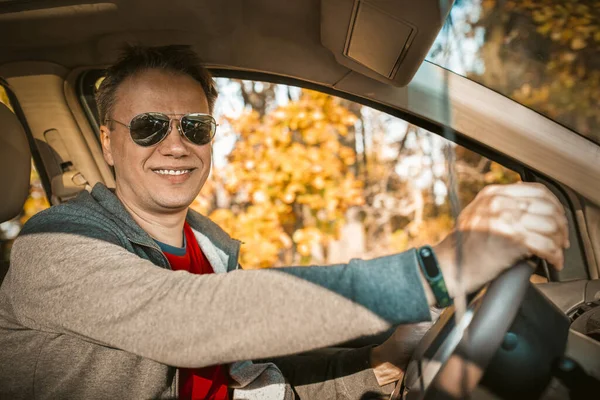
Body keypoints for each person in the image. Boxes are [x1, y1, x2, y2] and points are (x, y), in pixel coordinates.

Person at [0, 45, 569, 400]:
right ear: (108, 142)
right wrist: (439, 270)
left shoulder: (211, 246)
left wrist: (380, 362)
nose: (175, 145)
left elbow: (253, 373)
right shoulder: (53, 246)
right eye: (149, 126)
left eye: (194, 127)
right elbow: (191, 320)